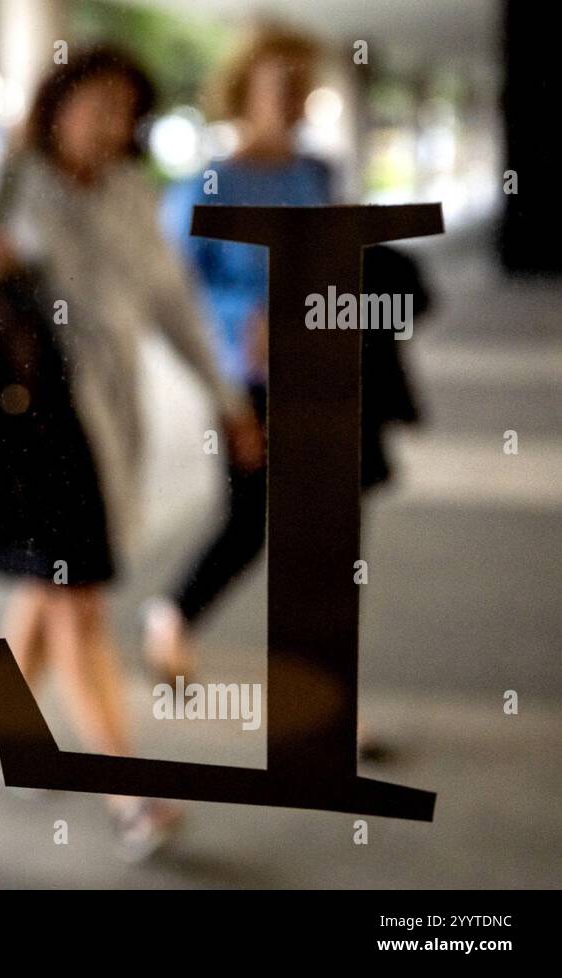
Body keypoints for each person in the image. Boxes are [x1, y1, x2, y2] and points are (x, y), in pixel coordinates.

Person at [0, 47, 260, 858]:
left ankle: (2, 725)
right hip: (33, 429)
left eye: (124, 109)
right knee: (77, 599)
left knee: (53, 586)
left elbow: (172, 304)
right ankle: (129, 793)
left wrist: (228, 401)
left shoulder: (130, 195)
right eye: (92, 104)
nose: (107, 123)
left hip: (108, 425)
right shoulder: (17, 181)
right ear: (56, 108)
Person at [145, 27, 427, 705]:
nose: (298, 100)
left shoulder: (317, 172)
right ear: (247, 91)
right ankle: (174, 615)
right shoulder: (208, 185)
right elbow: (172, 292)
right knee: (251, 522)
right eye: (285, 86)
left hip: (330, 369)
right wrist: (242, 325)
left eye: (305, 86)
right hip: (255, 382)